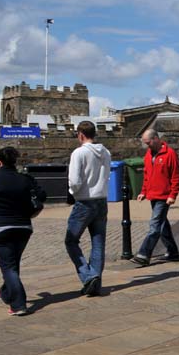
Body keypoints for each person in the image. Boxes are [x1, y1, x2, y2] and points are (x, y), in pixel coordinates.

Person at [65, 120, 111, 297]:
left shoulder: (79, 153)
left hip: (84, 201)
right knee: (98, 242)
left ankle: (87, 275)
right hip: (102, 200)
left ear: (81, 134)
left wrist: (71, 192)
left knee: (71, 240)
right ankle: (95, 283)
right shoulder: (105, 152)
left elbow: (75, 182)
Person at [0, 147, 38, 316]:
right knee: (12, 264)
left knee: (9, 267)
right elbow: (41, 197)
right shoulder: (25, 180)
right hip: (24, 228)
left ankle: (18, 304)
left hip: (0, 229)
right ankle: (4, 293)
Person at [132, 129, 179, 266]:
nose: (147, 146)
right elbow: (147, 176)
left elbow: (176, 176)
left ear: (155, 138)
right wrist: (143, 191)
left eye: (148, 143)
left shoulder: (170, 154)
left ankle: (144, 254)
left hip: (164, 196)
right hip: (153, 195)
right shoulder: (148, 155)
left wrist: (173, 195)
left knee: (154, 225)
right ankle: (173, 252)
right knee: (163, 225)